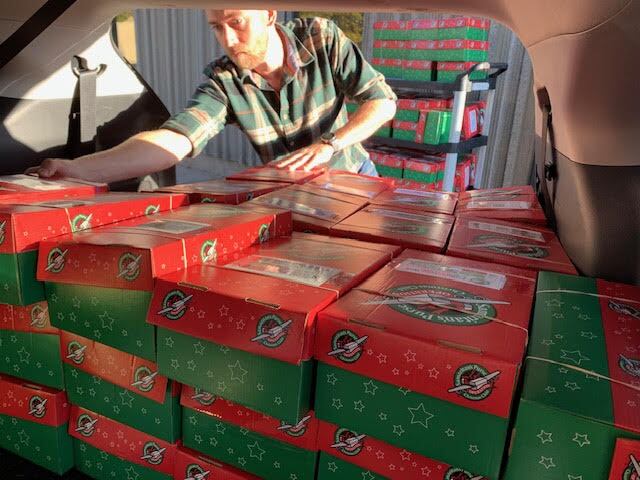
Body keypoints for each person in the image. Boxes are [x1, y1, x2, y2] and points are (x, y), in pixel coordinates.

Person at [29, 10, 397, 183]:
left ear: (269, 14)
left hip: (354, 177)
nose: (228, 40)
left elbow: (382, 101)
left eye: (237, 22)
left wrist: (330, 144)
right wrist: (77, 169)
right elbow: (175, 139)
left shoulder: (321, 38)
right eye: (217, 27)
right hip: (293, 193)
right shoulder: (223, 80)